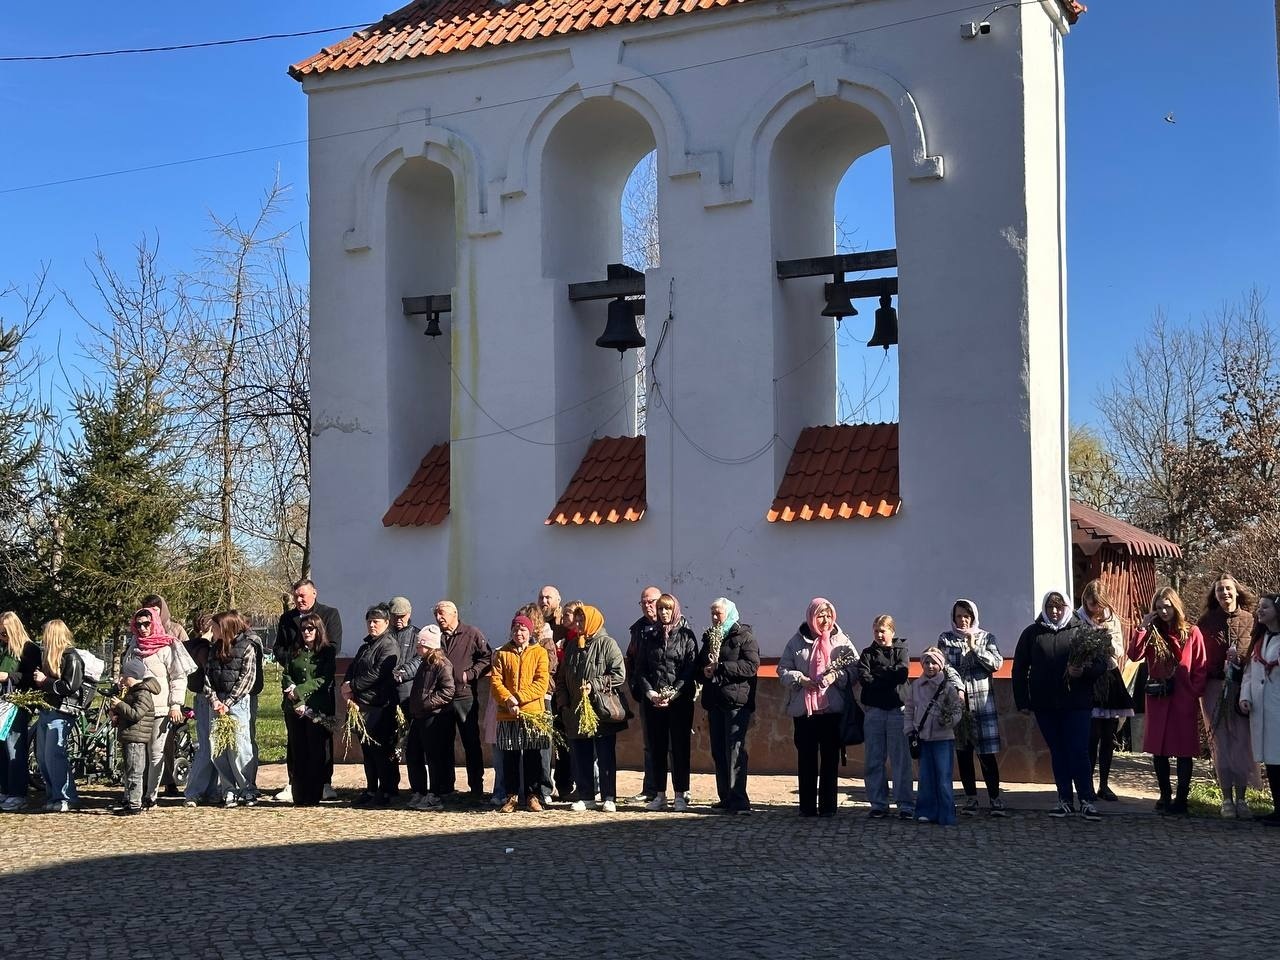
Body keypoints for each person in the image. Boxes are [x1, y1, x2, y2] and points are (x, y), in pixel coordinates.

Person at [1013, 590, 1108, 821]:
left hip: (1076, 703)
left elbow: (1101, 664)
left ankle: (1086, 799)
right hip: (1046, 704)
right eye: (1050, 608)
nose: (1054, 612)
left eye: (1059, 607)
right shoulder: (1032, 634)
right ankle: (1064, 799)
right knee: (1058, 752)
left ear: (1067, 607)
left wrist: (1082, 671)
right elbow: (1019, 668)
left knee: (1078, 751)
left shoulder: (1082, 631)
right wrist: (1023, 701)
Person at [1126, 587, 1207, 816]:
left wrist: (1193, 692)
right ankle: (1164, 794)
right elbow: (1134, 655)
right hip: (1159, 697)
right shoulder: (1152, 632)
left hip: (1182, 697)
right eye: (1159, 608)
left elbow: (1200, 665)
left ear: (1176, 606)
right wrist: (1142, 628)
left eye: (1167, 607)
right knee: (1159, 749)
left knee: (1183, 750)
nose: (1163, 611)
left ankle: (1181, 799)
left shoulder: (1192, 631)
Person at [779, 598, 857, 819]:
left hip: (831, 709)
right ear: (812, 617)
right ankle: (807, 806)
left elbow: (855, 669)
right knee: (806, 759)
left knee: (830, 760)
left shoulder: (841, 639)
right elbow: (782, 669)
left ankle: (829, 807)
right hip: (805, 711)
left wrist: (836, 676)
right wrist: (800, 679)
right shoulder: (796, 641)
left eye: (828, 615)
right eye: (821, 616)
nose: (825, 620)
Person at [1197, 573, 1262, 818]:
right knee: (1221, 743)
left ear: (1236, 591)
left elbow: (1256, 653)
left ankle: (1242, 799)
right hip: (1214, 688)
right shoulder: (1206, 622)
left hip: (1242, 687)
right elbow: (1200, 658)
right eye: (1219, 591)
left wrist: (1240, 664)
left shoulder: (1251, 620)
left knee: (1242, 743)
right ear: (1214, 596)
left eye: (1227, 589)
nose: (1224, 593)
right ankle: (1226, 799)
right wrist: (1218, 669)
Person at [274, 578, 343, 804]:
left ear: (314, 593)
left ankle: (323, 782)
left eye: (303, 595)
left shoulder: (329, 614)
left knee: (320, 740)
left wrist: (303, 685)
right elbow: (279, 649)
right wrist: (293, 659)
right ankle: (295, 782)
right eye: (296, 596)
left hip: (318, 693)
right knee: (296, 741)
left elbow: (333, 648)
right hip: (293, 688)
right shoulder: (287, 618)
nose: (299, 599)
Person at [937, 599, 1007, 817]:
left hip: (982, 703)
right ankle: (971, 798)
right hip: (958, 703)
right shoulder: (946, 639)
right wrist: (957, 688)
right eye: (959, 616)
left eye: (966, 616)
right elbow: (945, 667)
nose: (963, 620)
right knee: (963, 752)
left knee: (986, 754)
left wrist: (974, 647)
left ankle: (995, 798)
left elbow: (996, 664)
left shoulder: (987, 637)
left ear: (973, 616)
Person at [122, 604, 196, 808]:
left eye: (147, 623)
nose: (143, 628)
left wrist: (175, 705)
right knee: (136, 752)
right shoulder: (133, 647)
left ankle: (150, 795)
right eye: (139, 624)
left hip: (160, 708)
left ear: (154, 622)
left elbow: (178, 678)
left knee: (156, 752)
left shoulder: (167, 646)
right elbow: (126, 672)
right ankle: (134, 793)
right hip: (137, 709)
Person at [557, 604, 628, 813]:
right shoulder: (572, 646)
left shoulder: (608, 644)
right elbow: (562, 677)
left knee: (605, 754)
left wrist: (594, 684)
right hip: (575, 710)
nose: (578, 624)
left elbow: (618, 674)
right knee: (580, 755)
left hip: (600, 709)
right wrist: (563, 701)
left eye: (582, 621)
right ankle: (586, 795)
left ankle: (608, 796)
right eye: (576, 621)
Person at [636, 593, 698, 812]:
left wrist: (674, 693)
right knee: (657, 747)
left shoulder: (687, 636)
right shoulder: (649, 637)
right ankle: (660, 794)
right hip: (655, 701)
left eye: (667, 609)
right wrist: (650, 693)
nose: (663, 612)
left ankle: (681, 794)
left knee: (680, 748)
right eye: (660, 609)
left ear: (675, 610)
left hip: (679, 702)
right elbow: (641, 669)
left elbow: (690, 669)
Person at [696, 597, 759, 815]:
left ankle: (739, 800)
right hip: (715, 701)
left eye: (718, 614)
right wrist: (704, 670)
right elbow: (700, 664)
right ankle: (725, 797)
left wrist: (722, 667)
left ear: (729, 613)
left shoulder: (744, 637)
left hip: (736, 702)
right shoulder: (710, 638)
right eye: (712, 614)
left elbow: (751, 666)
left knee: (735, 751)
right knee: (719, 751)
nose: (714, 618)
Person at [1077, 580, 1132, 802]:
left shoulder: (1111, 619)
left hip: (1108, 676)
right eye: (1092, 604)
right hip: (1088, 678)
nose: (1095, 609)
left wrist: (1107, 641)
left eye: (1099, 605)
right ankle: (1087, 783)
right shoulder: (1077, 618)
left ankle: (1105, 784)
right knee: (1092, 734)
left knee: (1108, 735)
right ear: (1085, 601)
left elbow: (1119, 649)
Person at [492, 615, 552, 813]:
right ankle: (511, 796)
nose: (519, 633)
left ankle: (533, 796)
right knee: (510, 756)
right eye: (516, 630)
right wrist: (508, 700)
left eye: (523, 630)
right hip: (508, 713)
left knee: (533, 756)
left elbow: (541, 683)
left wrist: (518, 698)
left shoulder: (540, 653)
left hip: (532, 713)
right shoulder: (502, 654)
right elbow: (496, 682)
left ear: (530, 632)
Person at [857, 614, 914, 820]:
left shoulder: (902, 650)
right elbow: (865, 679)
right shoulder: (867, 654)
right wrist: (885, 675)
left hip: (897, 711)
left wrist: (879, 673)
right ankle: (878, 803)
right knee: (874, 759)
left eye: (883, 630)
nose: (880, 635)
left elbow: (902, 674)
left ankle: (905, 803)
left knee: (900, 760)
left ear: (892, 631)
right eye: (876, 631)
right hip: (874, 712)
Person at [343, 605, 401, 805]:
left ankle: (386, 790)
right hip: (361, 705)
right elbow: (353, 667)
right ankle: (371, 788)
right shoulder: (366, 645)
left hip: (379, 705)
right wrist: (347, 686)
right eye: (369, 621)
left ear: (386, 623)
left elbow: (379, 672)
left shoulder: (388, 645)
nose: (372, 625)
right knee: (367, 751)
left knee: (381, 751)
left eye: (376, 621)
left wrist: (354, 685)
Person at [435, 600, 492, 801]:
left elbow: (487, 658)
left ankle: (476, 787)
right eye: (436, 614)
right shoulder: (437, 636)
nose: (439, 618)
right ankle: (446, 786)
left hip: (464, 696)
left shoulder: (471, 633)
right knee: (443, 743)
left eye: (442, 613)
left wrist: (470, 674)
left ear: (454, 614)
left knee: (471, 742)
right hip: (442, 698)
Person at [30, 620, 88, 812]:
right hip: (47, 709)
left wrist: (45, 681)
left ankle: (66, 796)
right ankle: (53, 793)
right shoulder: (47, 657)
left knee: (54, 754)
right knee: (43, 757)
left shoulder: (71, 657)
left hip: (62, 711)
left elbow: (70, 686)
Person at [138, 594, 191, 800]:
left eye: (156, 609)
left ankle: (167, 782)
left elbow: (181, 668)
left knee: (164, 744)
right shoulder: (137, 638)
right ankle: (140, 787)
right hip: (141, 704)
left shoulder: (175, 630)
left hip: (165, 701)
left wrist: (176, 702)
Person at [905, 647, 965, 826]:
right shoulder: (916, 685)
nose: (930, 666)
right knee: (925, 776)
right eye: (927, 663)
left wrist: (949, 721)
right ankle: (926, 811)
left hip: (942, 738)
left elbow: (957, 709)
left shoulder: (947, 687)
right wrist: (909, 728)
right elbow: (909, 708)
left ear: (940, 665)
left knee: (943, 777)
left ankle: (946, 813)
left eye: (934, 663)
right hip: (923, 737)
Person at [205, 611, 259, 808]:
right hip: (217, 703)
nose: (212, 630)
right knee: (218, 749)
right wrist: (214, 700)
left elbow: (247, 678)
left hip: (237, 703)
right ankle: (228, 789)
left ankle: (247, 788)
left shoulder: (247, 647)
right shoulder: (213, 649)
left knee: (239, 747)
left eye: (215, 627)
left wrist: (228, 702)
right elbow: (207, 677)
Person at [404, 624, 454, 810]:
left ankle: (435, 794)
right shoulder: (424, 663)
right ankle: (419, 791)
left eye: (421, 646)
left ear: (430, 646)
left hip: (433, 717)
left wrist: (427, 703)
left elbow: (448, 691)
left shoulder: (442, 664)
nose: (418, 649)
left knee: (433, 757)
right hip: (419, 716)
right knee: (413, 754)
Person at [1240, 594, 1280, 827]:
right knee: (1273, 762)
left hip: (1276, 709)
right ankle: (1277, 809)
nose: (1259, 610)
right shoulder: (1259, 641)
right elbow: (1248, 674)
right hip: (1262, 710)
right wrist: (1245, 697)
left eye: (1265, 607)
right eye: (1258, 607)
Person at [626, 585, 664, 802]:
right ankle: (651, 789)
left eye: (651, 602)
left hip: (671, 694)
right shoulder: (638, 629)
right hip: (646, 693)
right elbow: (631, 660)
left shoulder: (677, 624)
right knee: (650, 743)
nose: (647, 606)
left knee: (671, 743)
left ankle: (678, 790)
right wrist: (637, 688)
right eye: (643, 602)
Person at [0, 611, 41, 812]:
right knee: (2, 747)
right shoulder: (4, 649)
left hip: (17, 703)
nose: (2, 637)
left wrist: (7, 676)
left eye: (5, 633)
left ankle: (18, 792)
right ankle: (5, 788)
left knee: (13, 745)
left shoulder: (29, 649)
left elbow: (30, 677)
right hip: (3, 702)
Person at [109, 659, 161, 816]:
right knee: (129, 771)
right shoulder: (133, 692)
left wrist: (119, 705)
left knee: (135, 772)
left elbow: (136, 714)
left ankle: (135, 805)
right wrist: (115, 714)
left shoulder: (143, 694)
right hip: (129, 736)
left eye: (123, 676)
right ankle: (130, 801)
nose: (121, 679)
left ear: (131, 676)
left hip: (136, 739)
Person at [539, 586, 576, 801]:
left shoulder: (565, 625)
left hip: (562, 689)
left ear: (558, 600)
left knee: (563, 739)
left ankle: (564, 785)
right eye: (541, 597)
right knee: (545, 740)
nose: (544, 601)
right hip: (543, 691)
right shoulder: (537, 623)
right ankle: (544, 785)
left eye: (548, 598)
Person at [182, 614, 221, 808]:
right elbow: (208, 674)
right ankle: (195, 790)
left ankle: (211, 789)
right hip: (207, 697)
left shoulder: (189, 645)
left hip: (201, 697)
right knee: (207, 746)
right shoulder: (203, 648)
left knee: (212, 745)